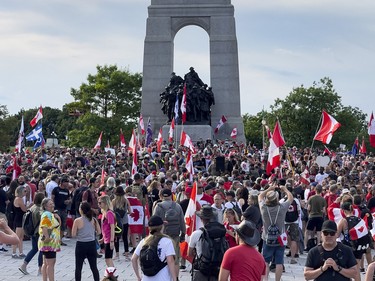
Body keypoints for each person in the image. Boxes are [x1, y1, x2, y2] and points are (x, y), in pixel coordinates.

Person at [258, 183, 293, 281]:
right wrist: (285, 189)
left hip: (267, 237)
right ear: (277, 199)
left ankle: (265, 279)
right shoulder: (282, 208)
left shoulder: (263, 208)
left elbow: (260, 196)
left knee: (266, 261)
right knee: (279, 262)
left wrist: (269, 188)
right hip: (280, 238)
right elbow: (290, 198)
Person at [131, 215, 177, 281]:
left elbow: (133, 259)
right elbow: (170, 261)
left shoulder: (144, 241)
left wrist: (138, 276)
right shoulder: (167, 241)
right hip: (163, 278)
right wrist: (175, 278)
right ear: (162, 227)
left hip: (146, 278)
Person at [153, 188, 185, 277]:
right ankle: (176, 277)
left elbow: (154, 221)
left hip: (161, 236)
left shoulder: (158, 206)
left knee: (162, 258)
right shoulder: (177, 206)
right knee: (175, 259)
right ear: (171, 196)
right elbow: (182, 221)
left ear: (162, 196)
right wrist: (183, 234)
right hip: (175, 235)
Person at [72, 201, 101, 281]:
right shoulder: (93, 220)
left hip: (81, 244)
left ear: (81, 210)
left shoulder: (77, 220)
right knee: (94, 267)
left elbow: (73, 234)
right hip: (91, 244)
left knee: (78, 267)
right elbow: (99, 232)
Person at [19, 192, 45, 275]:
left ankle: (24, 265)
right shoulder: (40, 210)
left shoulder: (32, 207)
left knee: (34, 249)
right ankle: (40, 269)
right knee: (41, 250)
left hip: (33, 231)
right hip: (38, 232)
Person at [38, 198, 62, 281]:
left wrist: (58, 218)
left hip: (49, 243)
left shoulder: (50, 214)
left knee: (46, 263)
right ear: (45, 206)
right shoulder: (47, 214)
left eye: (52, 203)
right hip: (49, 243)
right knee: (51, 263)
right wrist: (47, 237)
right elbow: (44, 226)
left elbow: (57, 226)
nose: (52, 205)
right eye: (50, 204)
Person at [111, 186, 131, 260]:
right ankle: (126, 255)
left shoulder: (114, 201)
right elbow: (130, 211)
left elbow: (112, 211)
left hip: (117, 222)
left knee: (117, 238)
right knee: (125, 238)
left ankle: (117, 255)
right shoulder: (126, 201)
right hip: (125, 221)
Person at [99, 195, 116, 267]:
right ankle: (112, 274)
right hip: (106, 238)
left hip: (109, 239)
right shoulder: (104, 212)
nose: (99, 204)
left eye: (100, 203)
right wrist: (103, 238)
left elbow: (112, 227)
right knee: (108, 259)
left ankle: (113, 274)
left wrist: (112, 241)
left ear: (105, 203)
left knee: (108, 259)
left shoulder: (109, 213)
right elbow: (105, 227)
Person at [12, 185, 27, 258]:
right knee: (17, 237)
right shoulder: (18, 199)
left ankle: (21, 252)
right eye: (24, 191)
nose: (26, 192)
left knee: (21, 237)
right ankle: (14, 253)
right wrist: (30, 205)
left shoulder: (19, 199)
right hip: (19, 219)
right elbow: (24, 209)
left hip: (20, 218)